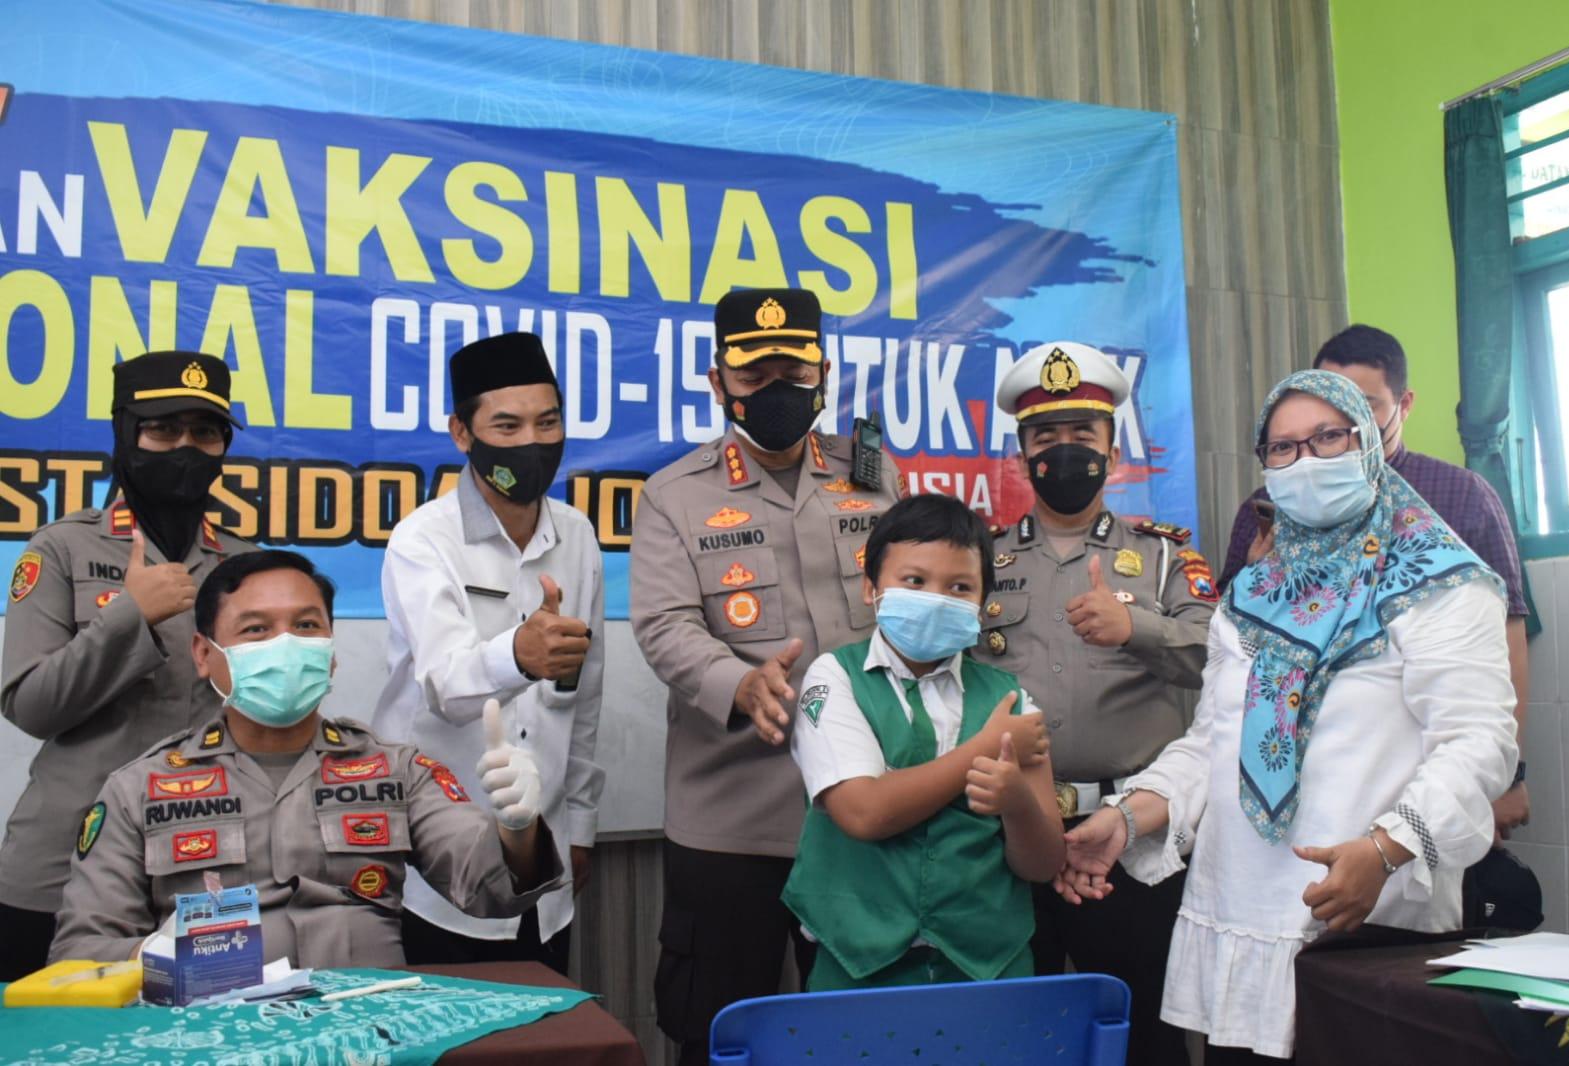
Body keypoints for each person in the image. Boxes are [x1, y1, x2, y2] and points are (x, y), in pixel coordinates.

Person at [1057, 369, 1518, 1064]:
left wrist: (1385, 847)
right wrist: (1127, 817)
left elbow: (1479, 744)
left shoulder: (1437, 583)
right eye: (1282, 447)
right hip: (1240, 919)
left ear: (1367, 445)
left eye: (1328, 438)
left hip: (1366, 925)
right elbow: (1215, 742)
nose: (1305, 461)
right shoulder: (1250, 596)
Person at [50, 549, 558, 968]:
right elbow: (79, 953)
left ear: (331, 652)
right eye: (256, 630)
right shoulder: (140, 788)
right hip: (214, 1034)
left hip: (369, 1031)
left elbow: (490, 892)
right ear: (204, 655)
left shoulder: (396, 770)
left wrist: (518, 831)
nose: (286, 645)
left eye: (306, 625)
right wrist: (164, 958)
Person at [631, 287, 902, 1064]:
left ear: (824, 374)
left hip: (865, 812)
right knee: (719, 1034)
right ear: (718, 382)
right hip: (732, 820)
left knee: (862, 1038)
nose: (776, 392)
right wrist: (738, 684)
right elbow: (663, 624)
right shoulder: (673, 495)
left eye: (794, 374)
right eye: (754, 377)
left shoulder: (874, 475)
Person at [971, 340, 1216, 1065]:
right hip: (1010, 837)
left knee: (1146, 1038)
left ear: (1112, 453)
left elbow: (1222, 661)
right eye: (1046, 437)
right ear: (1021, 458)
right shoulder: (982, 561)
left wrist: (1136, 628)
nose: (1065, 450)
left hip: (1132, 839)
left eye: (1083, 434)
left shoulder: (1165, 556)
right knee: (1019, 1036)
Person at [1217, 325, 1532, 850]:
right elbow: (1230, 647)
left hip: (1427, 780)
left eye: (1358, 407)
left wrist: (1509, 774)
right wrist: (1264, 577)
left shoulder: (1460, 496)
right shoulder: (1270, 505)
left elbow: (1507, 637)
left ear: (1401, 405)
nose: (1317, 447)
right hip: (1294, 794)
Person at [0, 351, 255, 980]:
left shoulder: (243, 565)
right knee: (41, 1028)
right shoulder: (62, 547)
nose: (186, 448)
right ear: (126, 433)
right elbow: (30, 705)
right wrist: (129, 616)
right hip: (63, 861)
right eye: (163, 430)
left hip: (202, 860)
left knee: (208, 1025)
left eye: (205, 432)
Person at [373, 331, 602, 974]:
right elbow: (444, 687)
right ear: (462, 432)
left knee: (547, 1025)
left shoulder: (578, 536)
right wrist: (519, 656)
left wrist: (580, 826)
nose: (532, 441)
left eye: (547, 422)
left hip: (546, 869)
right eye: (507, 425)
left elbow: (585, 699)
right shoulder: (423, 540)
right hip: (441, 868)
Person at [782, 494, 1059, 990]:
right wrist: (984, 749)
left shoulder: (1011, 699)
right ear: (871, 588)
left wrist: (1016, 799)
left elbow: (1042, 864)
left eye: (960, 587)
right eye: (914, 581)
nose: (936, 598)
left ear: (983, 603)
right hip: (857, 965)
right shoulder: (833, 678)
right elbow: (864, 812)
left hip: (989, 968)